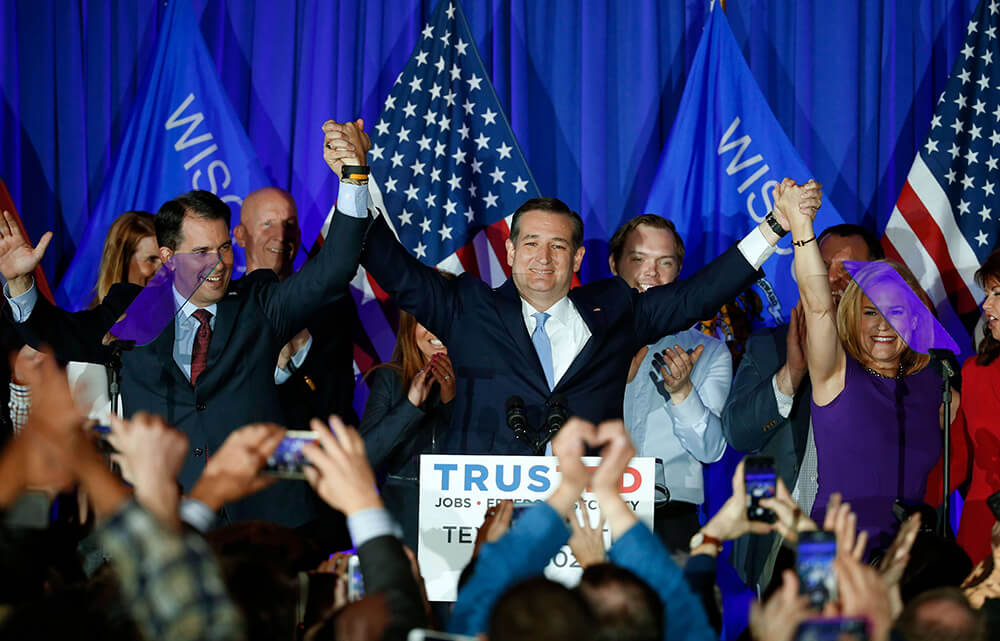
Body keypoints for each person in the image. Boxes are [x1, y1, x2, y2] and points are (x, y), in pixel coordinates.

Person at [322, 119, 820, 455]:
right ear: (511, 253)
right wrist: (355, 178)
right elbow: (391, 265)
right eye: (531, 244)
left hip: (586, 522)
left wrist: (775, 224)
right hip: (482, 525)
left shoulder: (617, 306)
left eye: (558, 247)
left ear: (577, 258)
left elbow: (699, 294)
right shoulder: (466, 306)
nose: (543, 258)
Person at [0, 169, 368, 525]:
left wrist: (353, 177)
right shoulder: (134, 311)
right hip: (171, 517)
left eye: (223, 247)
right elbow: (55, 334)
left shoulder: (260, 302)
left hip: (264, 522)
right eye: (202, 251)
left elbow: (333, 269)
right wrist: (19, 282)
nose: (219, 263)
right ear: (168, 258)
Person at [786, 179, 945, 555]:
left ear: (915, 319)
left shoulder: (935, 384)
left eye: (897, 311)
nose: (884, 325)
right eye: (871, 312)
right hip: (829, 559)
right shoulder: (836, 375)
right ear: (853, 318)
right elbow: (819, 306)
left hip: (906, 563)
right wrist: (801, 227)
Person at [722, 222, 884, 589]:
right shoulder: (769, 346)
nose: (831, 279)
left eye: (848, 271)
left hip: (859, 538)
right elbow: (738, 434)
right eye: (822, 265)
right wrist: (791, 373)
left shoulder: (889, 351)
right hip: (782, 537)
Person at [607, 213, 736, 555]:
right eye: (638, 259)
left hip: (671, 519)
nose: (651, 272)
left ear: (679, 272)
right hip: (593, 509)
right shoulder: (582, 341)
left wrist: (682, 393)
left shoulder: (708, 352)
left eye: (665, 262)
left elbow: (711, 449)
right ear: (614, 264)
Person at [234, 187, 360, 427]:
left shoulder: (332, 304)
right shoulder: (224, 305)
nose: (281, 235)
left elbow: (338, 399)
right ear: (240, 235)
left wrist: (297, 355)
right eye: (267, 224)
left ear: (300, 235)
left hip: (313, 450)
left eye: (289, 224)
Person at [359, 305, 456, 551]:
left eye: (444, 319)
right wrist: (411, 405)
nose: (435, 330)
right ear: (410, 328)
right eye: (425, 320)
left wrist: (452, 402)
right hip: (402, 524)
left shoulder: (486, 381)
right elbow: (363, 460)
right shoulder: (390, 378)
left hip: (458, 522)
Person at [929, 249, 1000, 565]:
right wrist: (918, 509)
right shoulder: (974, 372)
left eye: (997, 294)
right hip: (981, 529)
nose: (987, 306)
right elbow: (957, 459)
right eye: (987, 294)